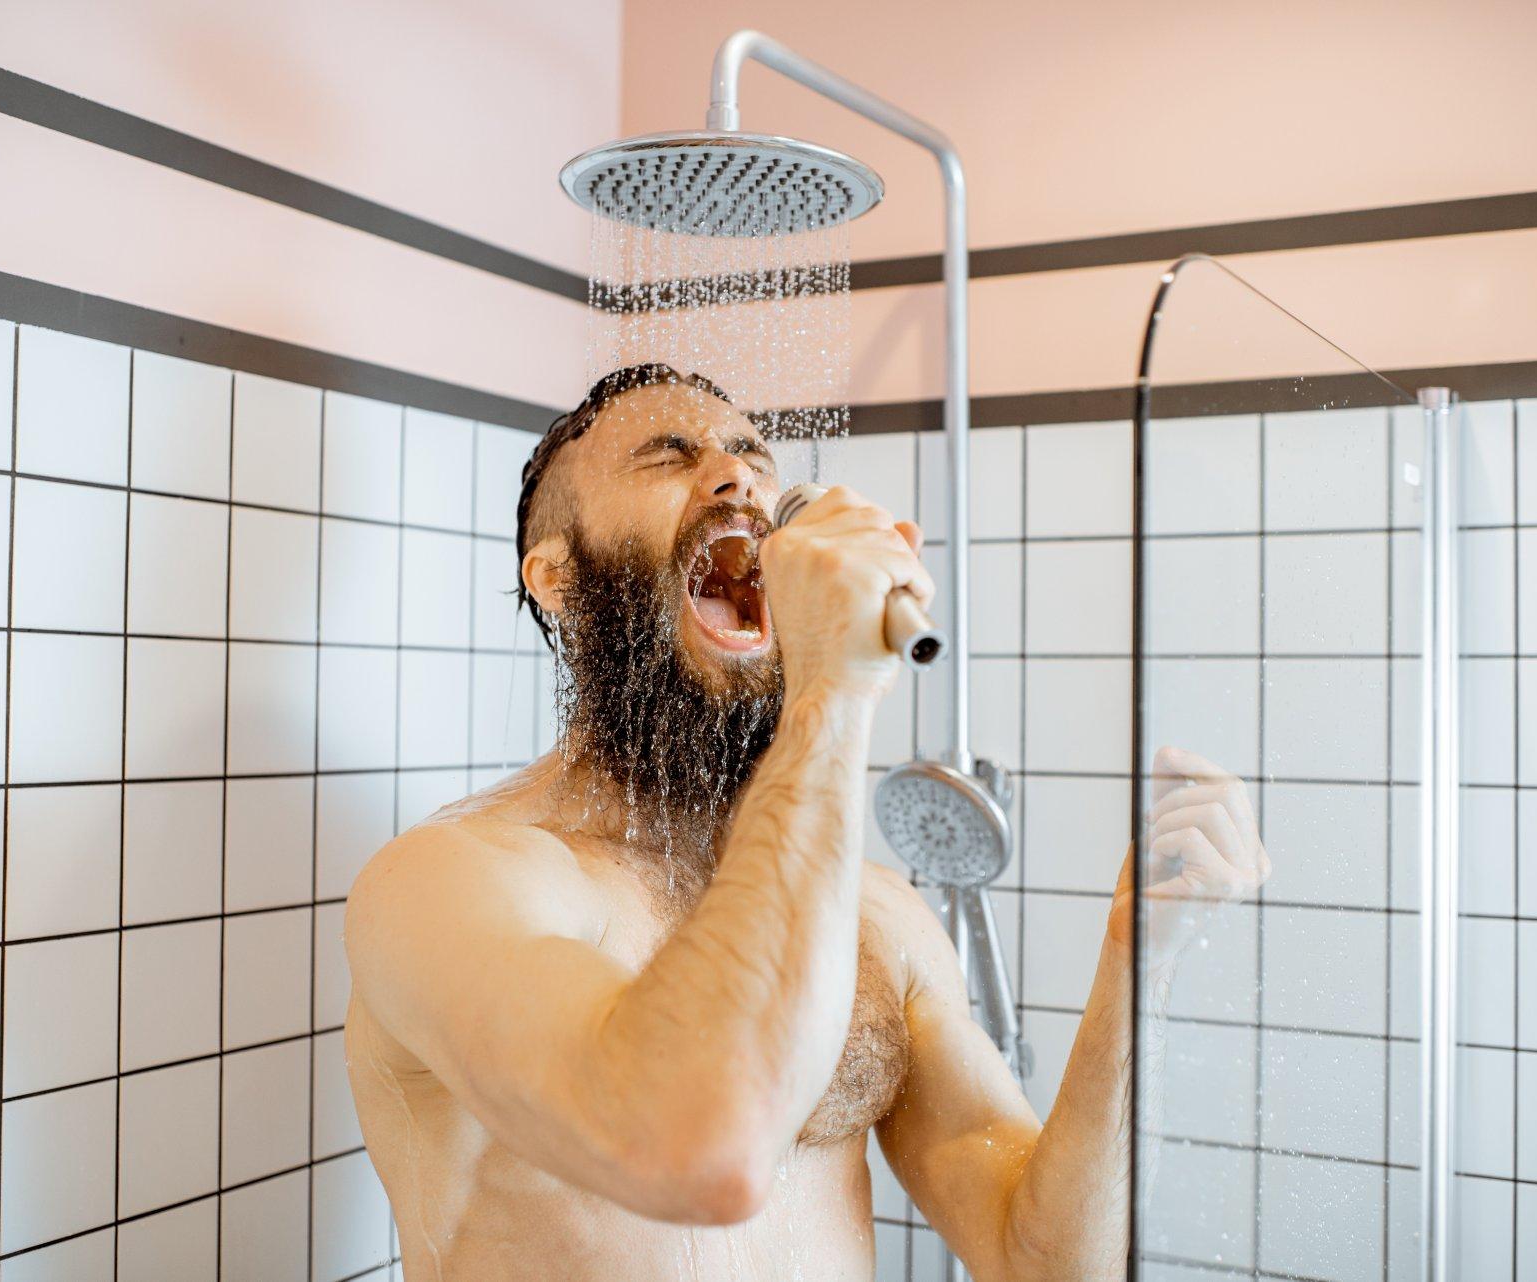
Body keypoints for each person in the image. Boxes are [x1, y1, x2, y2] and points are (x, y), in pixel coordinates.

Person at [343, 365, 1267, 1279]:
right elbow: (702, 1153)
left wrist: (1138, 960)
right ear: (555, 576)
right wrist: (833, 685)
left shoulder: (874, 919)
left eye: (751, 453)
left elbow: (1049, 1261)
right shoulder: (454, 881)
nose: (735, 474)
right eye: (668, 454)